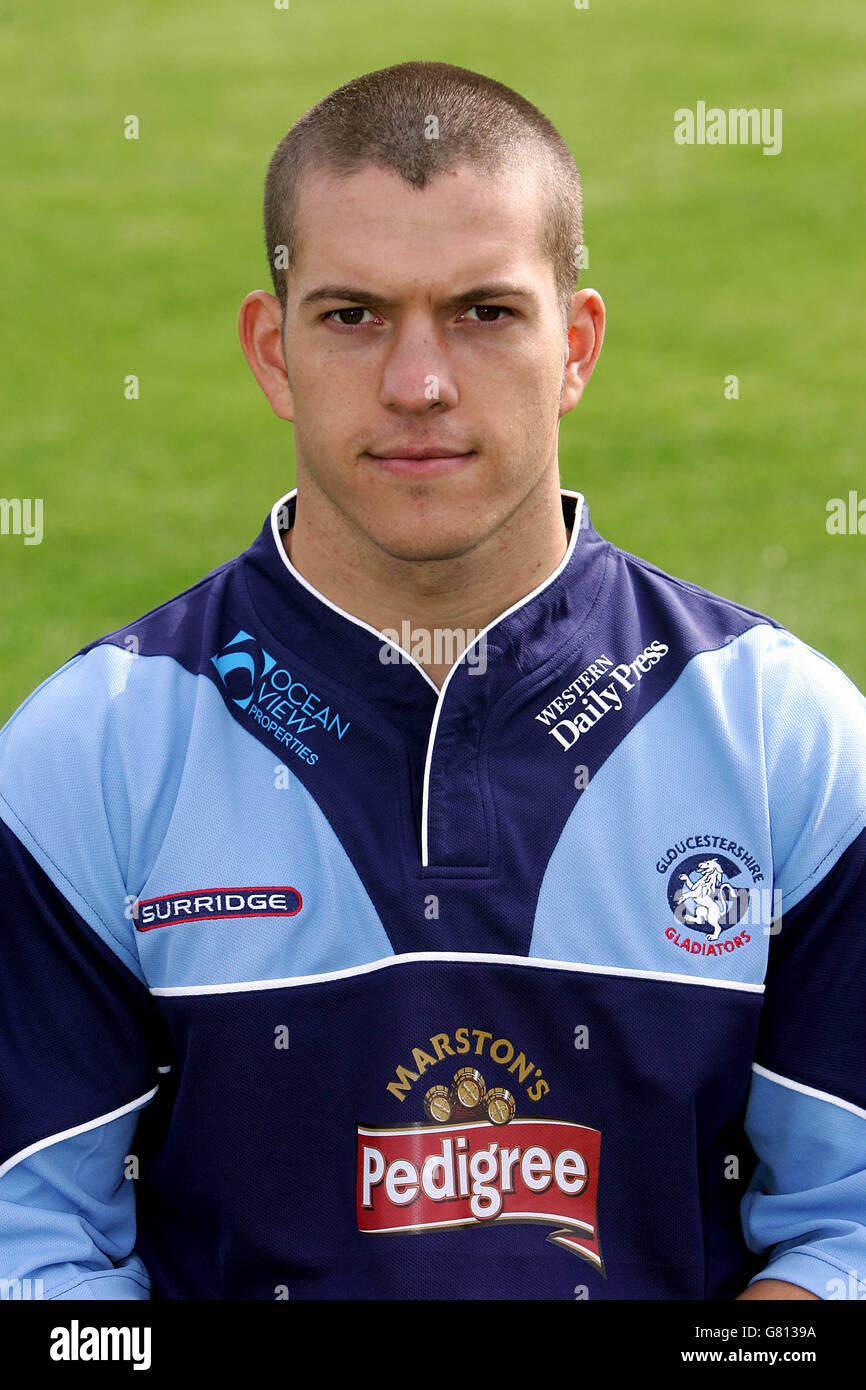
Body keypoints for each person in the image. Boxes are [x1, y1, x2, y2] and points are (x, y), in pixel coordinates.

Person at [1, 60, 864, 1302]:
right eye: (352, 315)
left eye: (483, 312)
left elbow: (844, 1235)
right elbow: (32, 1256)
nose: (418, 385)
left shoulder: (785, 737)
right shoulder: (86, 755)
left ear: (574, 344)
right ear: (272, 349)